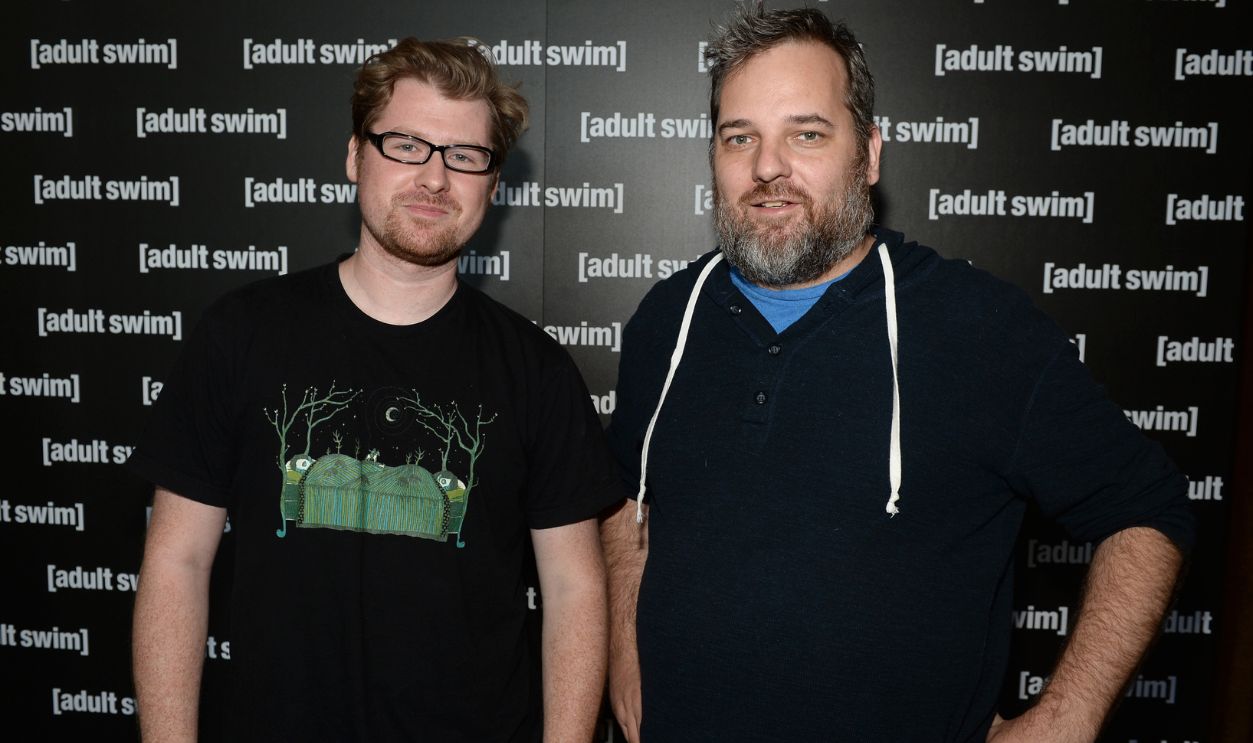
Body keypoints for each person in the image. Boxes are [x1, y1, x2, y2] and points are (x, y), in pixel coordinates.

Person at [601, 6, 1195, 742]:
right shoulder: (667, 316)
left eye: (806, 134)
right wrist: (623, 650)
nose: (766, 167)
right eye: (739, 137)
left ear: (869, 154)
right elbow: (628, 497)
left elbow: (1148, 511)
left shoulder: (979, 329)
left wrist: (1067, 714)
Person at [129, 37, 620, 743]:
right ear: (355, 155)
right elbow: (178, 559)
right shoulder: (238, 334)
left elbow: (574, 590)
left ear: (492, 182)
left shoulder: (536, 369)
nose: (434, 177)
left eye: (463, 155)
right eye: (406, 145)